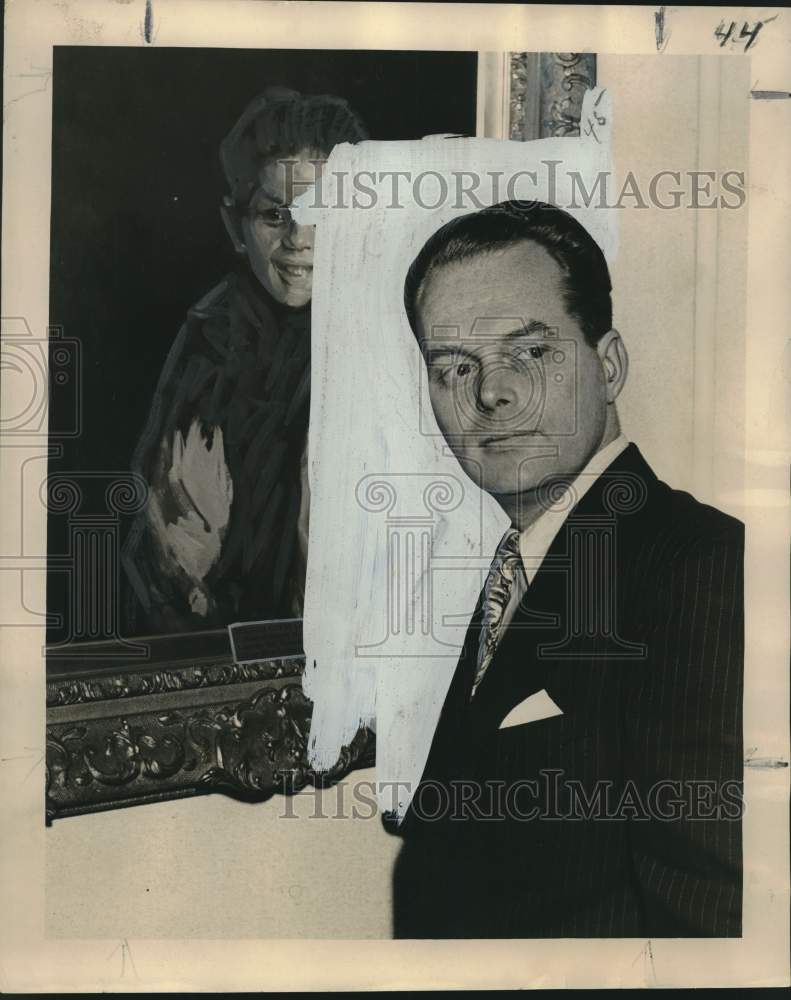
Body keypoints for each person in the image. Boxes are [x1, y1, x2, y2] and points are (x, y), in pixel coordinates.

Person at [388, 200, 744, 938]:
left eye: (530, 352)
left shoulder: (699, 567)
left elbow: (705, 917)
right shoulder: (521, 559)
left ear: (607, 365)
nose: (491, 391)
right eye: (454, 365)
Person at [123, 88, 367, 633]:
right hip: (230, 643)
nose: (299, 240)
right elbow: (167, 540)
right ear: (237, 227)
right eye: (275, 215)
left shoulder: (385, 331)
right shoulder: (212, 338)